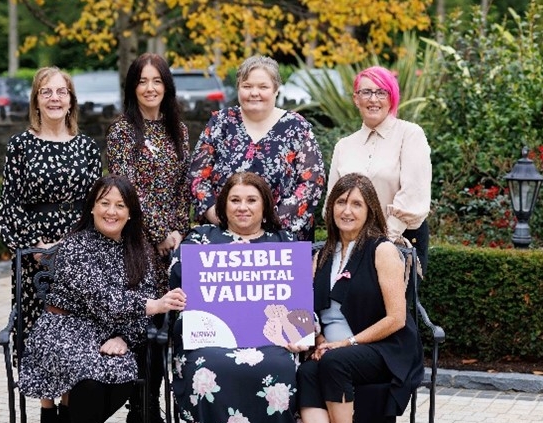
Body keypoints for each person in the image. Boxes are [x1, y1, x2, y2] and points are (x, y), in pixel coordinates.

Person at [17, 174, 187, 423]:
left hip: (107, 331)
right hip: (63, 329)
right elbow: (102, 299)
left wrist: (124, 336)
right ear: (93, 207)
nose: (111, 211)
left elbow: (145, 295)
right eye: (105, 203)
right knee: (90, 381)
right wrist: (154, 305)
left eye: (120, 205)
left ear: (130, 213)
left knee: (124, 374)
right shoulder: (76, 246)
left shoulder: (139, 249)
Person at [0, 66, 102, 420]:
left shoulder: (87, 147)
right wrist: (36, 246)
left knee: (73, 332)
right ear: (37, 100)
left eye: (61, 92)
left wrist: (70, 245)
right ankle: (46, 409)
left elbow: (96, 206)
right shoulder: (20, 145)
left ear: (71, 100)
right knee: (41, 331)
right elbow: (9, 203)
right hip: (33, 255)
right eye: (47, 92)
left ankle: (70, 406)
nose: (55, 98)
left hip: (77, 249)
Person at [169, 172, 299, 423]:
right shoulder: (201, 239)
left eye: (251, 200)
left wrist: (302, 332)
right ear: (223, 205)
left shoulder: (283, 241)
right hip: (210, 340)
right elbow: (178, 278)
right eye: (235, 200)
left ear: (265, 206)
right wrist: (225, 260)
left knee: (280, 366)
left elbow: (300, 300)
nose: (242, 208)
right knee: (206, 367)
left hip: (269, 341)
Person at [296, 173, 424, 423]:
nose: (347, 211)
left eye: (357, 204)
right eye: (341, 202)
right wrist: (320, 340)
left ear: (369, 211)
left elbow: (396, 319)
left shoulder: (382, 250)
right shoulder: (321, 256)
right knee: (308, 370)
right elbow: (308, 312)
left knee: (334, 362)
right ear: (331, 207)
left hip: (382, 348)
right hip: (333, 350)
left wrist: (346, 344)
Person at [106, 52, 191, 422]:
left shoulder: (179, 130)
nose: (150, 87)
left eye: (157, 81)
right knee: (141, 322)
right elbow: (127, 190)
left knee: (167, 325)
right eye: (142, 81)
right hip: (136, 245)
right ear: (132, 87)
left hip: (172, 247)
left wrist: (176, 233)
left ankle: (155, 399)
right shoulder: (123, 130)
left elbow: (184, 189)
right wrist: (157, 233)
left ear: (166, 86)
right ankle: (141, 405)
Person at [189, 55, 326, 241]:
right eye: (247, 86)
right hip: (224, 236)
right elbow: (198, 175)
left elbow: (312, 181)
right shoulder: (221, 123)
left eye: (263, 87)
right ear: (238, 88)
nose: (254, 93)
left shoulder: (296, 127)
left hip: (282, 237)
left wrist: (272, 222)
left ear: (276, 90)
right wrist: (217, 215)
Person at [326, 66, 431, 273]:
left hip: (398, 244)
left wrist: (379, 244)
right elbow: (332, 201)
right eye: (366, 92)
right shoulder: (344, 146)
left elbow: (413, 194)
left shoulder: (410, 135)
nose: (373, 99)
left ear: (392, 98)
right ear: (356, 99)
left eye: (381, 92)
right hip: (349, 247)